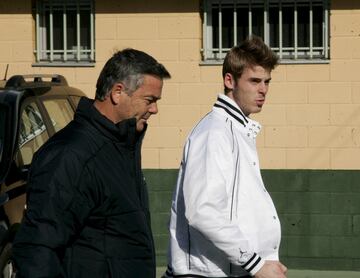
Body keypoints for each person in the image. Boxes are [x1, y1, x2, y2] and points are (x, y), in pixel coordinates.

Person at [12, 48, 171, 277]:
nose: (155, 109)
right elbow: (38, 248)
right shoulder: (71, 155)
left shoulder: (121, 145)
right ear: (118, 92)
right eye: (150, 100)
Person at [164, 36, 287, 278]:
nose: (263, 89)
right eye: (254, 81)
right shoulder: (215, 132)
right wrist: (257, 265)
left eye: (267, 81)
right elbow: (203, 210)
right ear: (229, 80)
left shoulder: (237, 128)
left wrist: (264, 261)